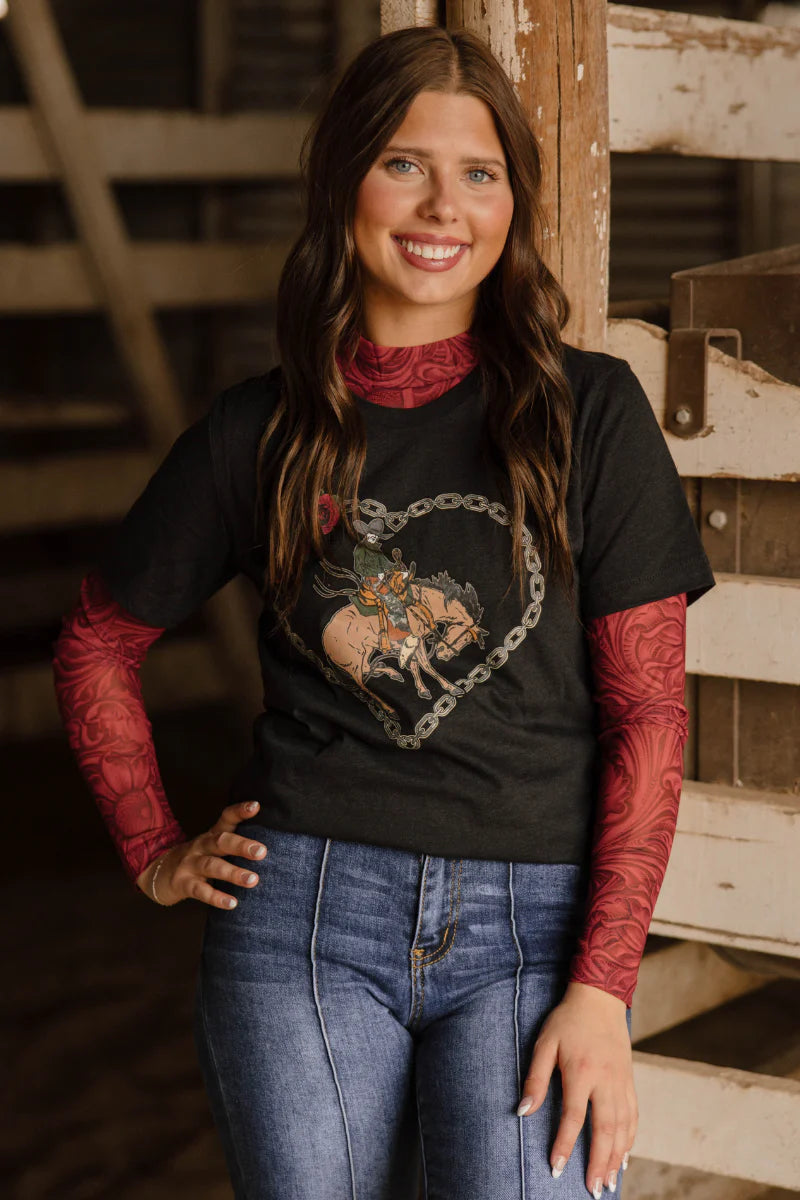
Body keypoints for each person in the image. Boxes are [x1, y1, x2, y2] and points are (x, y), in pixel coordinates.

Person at [52, 25, 716, 1200]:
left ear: (510, 201)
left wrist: (604, 987)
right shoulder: (251, 435)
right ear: (344, 182)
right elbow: (99, 644)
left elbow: (651, 718)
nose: (441, 205)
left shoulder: (589, 415)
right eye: (403, 163)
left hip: (534, 929)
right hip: (300, 918)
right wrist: (155, 850)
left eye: (478, 172)